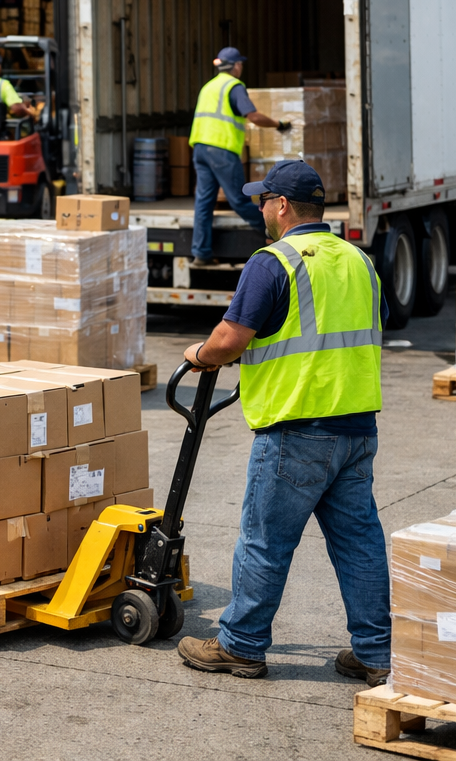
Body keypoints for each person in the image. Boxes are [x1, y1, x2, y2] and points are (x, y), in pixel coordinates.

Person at [175, 159, 390, 685]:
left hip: (296, 430)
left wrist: (198, 355)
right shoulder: (359, 260)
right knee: (359, 543)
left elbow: (230, 339)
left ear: (283, 206)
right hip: (356, 428)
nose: (261, 210)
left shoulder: (273, 262)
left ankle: (241, 645)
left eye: (263, 201)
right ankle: (377, 653)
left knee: (264, 542)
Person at [188, 47, 288, 265]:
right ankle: (275, 230)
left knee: (204, 202)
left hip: (200, 148)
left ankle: (201, 254)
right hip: (221, 150)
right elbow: (253, 116)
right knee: (240, 201)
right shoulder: (234, 86)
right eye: (240, 63)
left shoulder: (208, 86)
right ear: (235, 66)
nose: (241, 67)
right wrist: (278, 124)